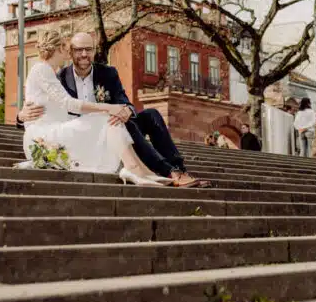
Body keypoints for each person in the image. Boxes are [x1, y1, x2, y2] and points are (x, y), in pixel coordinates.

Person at [18, 32, 209, 188]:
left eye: (88, 49)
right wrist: (20, 117)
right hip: (86, 135)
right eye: (78, 50)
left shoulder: (108, 73)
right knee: (114, 120)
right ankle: (168, 172)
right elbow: (43, 106)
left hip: (113, 127)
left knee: (149, 115)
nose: (84, 54)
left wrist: (126, 109)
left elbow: (123, 101)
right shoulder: (58, 77)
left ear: (94, 51)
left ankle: (179, 168)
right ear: (70, 52)